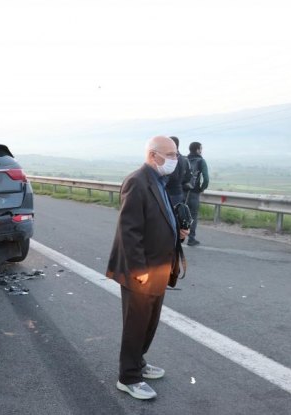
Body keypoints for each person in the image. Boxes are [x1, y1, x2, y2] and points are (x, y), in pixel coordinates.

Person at [106, 135, 189, 400]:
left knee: (149, 323)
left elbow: (159, 218)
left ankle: (139, 363)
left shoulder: (159, 181)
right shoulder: (137, 181)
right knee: (136, 324)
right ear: (154, 155)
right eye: (171, 155)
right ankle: (128, 377)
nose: (175, 160)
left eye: (176, 154)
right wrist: (139, 269)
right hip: (141, 271)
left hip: (160, 267)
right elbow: (129, 231)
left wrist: (179, 232)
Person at [185, 142, 209, 246]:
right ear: (198, 150)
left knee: (179, 214)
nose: (201, 150)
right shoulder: (201, 161)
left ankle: (175, 238)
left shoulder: (183, 160)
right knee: (193, 215)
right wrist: (201, 188)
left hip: (182, 191)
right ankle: (191, 239)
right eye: (201, 148)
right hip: (194, 192)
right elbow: (206, 179)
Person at [165, 136, 192, 205]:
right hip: (178, 192)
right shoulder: (183, 158)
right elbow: (188, 177)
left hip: (171, 193)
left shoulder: (173, 158)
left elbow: (173, 176)